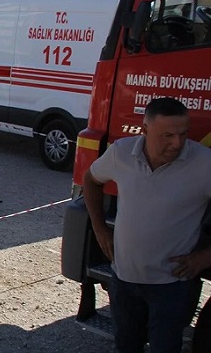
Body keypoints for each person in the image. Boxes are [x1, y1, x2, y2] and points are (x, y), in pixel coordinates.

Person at [83, 97, 211, 353]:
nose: (177, 143)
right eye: (167, 135)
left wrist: (206, 257)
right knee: (127, 346)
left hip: (172, 286)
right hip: (124, 279)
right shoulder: (121, 153)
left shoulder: (204, 162)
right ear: (144, 130)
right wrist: (99, 228)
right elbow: (91, 179)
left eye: (182, 134)